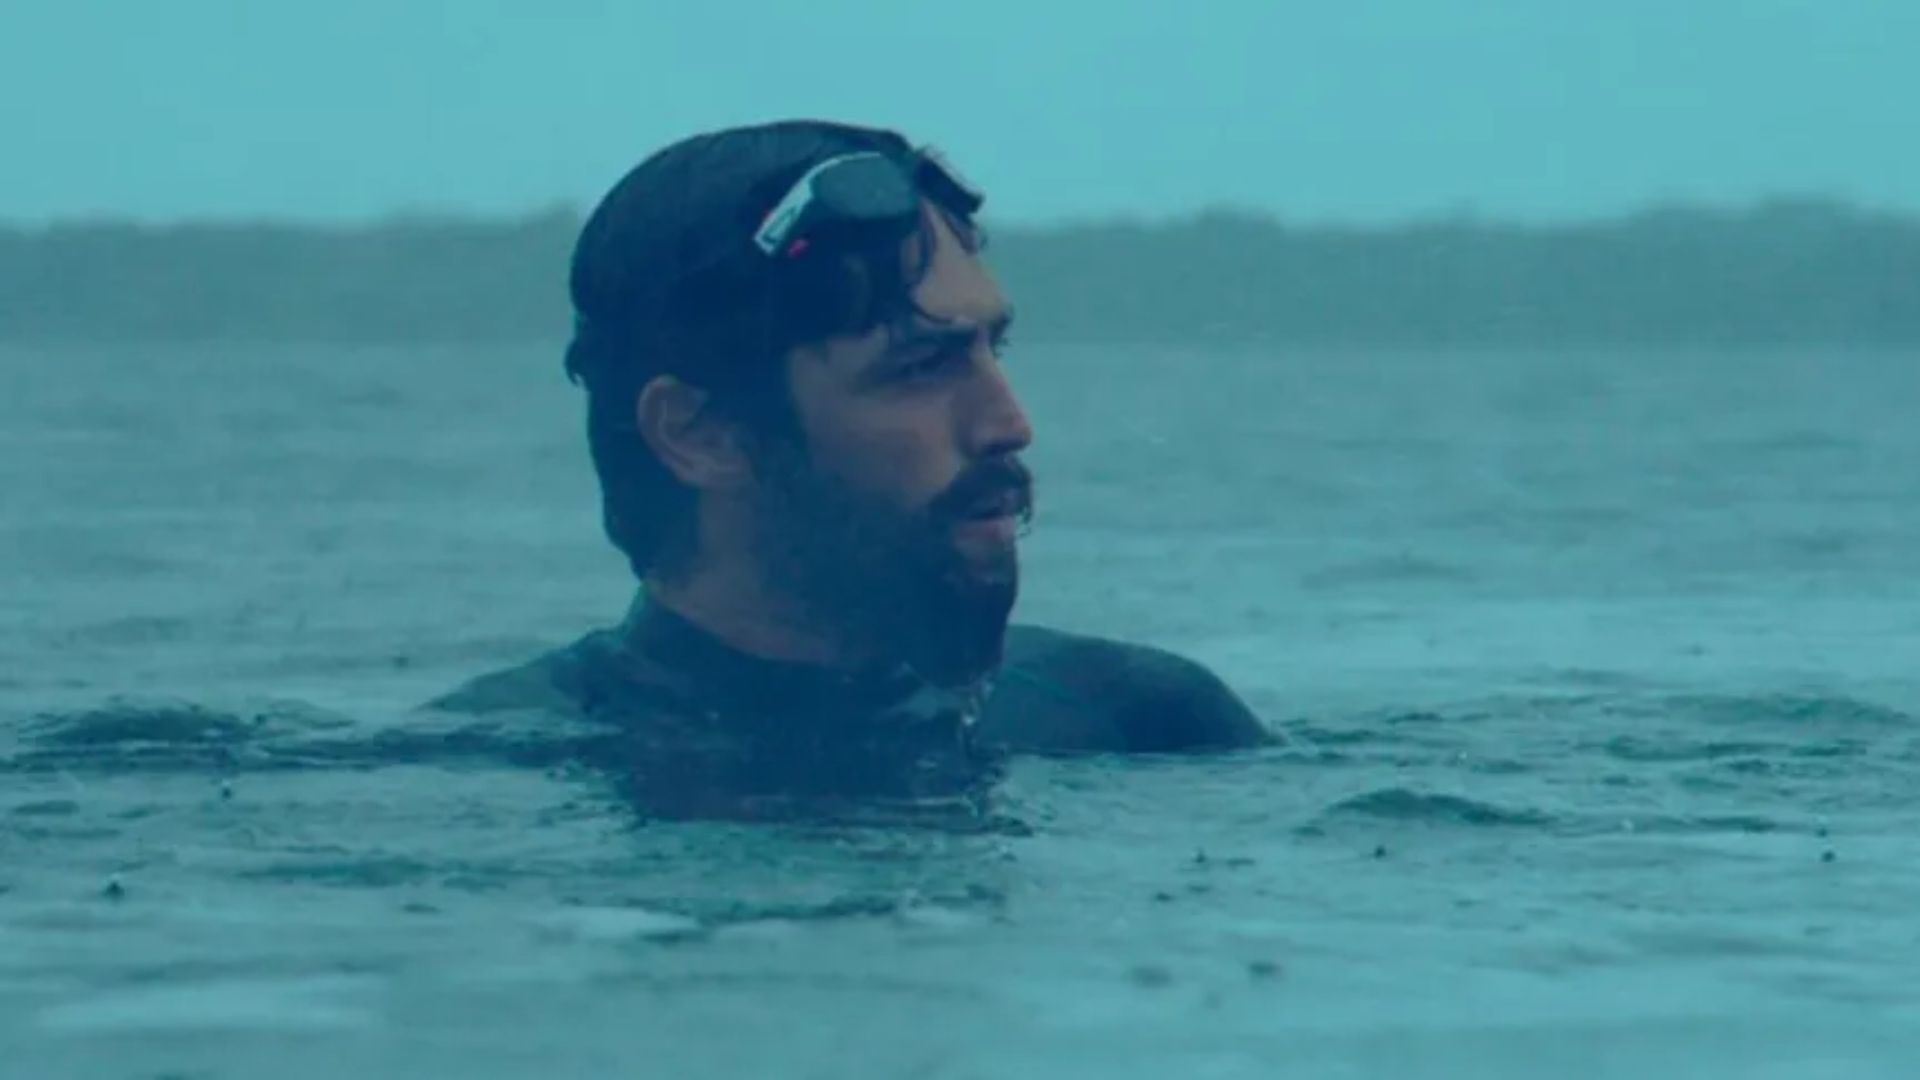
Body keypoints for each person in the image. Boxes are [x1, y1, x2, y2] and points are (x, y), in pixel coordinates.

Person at [430, 120, 1271, 819]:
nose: (1010, 423)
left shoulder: (1149, 724)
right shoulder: (484, 777)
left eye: (992, 348)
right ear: (701, 434)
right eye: (919, 367)